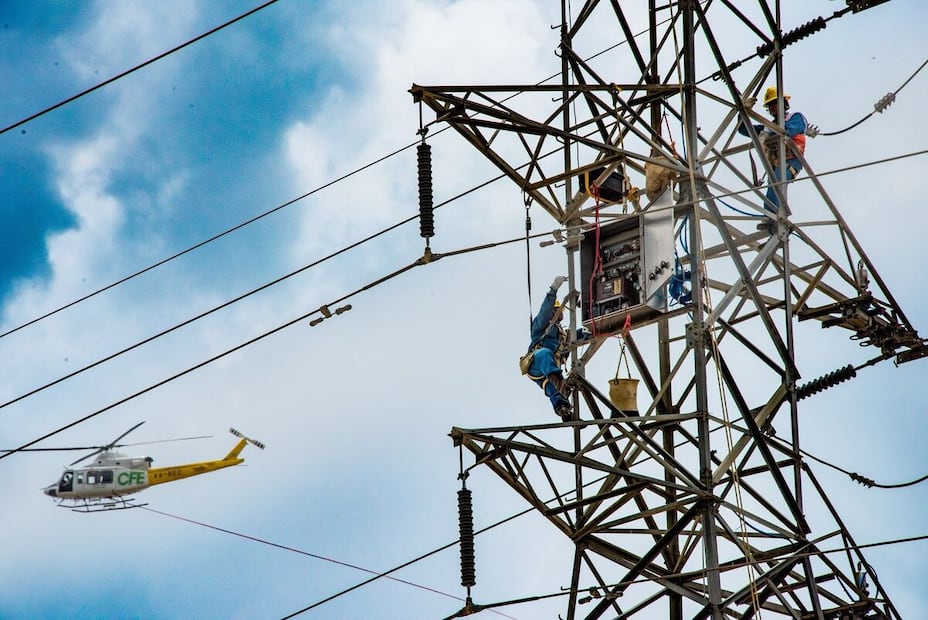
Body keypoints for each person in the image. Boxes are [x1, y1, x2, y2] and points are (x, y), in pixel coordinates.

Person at [739, 86, 809, 223]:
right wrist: (743, 111)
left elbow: (788, 131)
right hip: (777, 163)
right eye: (770, 106)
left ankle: (773, 216)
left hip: (791, 160)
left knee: (777, 182)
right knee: (774, 183)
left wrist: (768, 133)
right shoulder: (767, 126)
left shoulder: (795, 117)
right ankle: (772, 217)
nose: (772, 108)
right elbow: (743, 129)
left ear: (784, 103)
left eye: (774, 104)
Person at [524, 275, 588, 421]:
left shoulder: (562, 335)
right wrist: (553, 289)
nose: (560, 314)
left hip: (549, 371)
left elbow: (576, 337)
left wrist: (589, 331)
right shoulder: (541, 326)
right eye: (557, 310)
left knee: (553, 391)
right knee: (545, 353)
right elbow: (544, 312)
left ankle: (563, 410)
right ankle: (561, 384)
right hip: (537, 362)